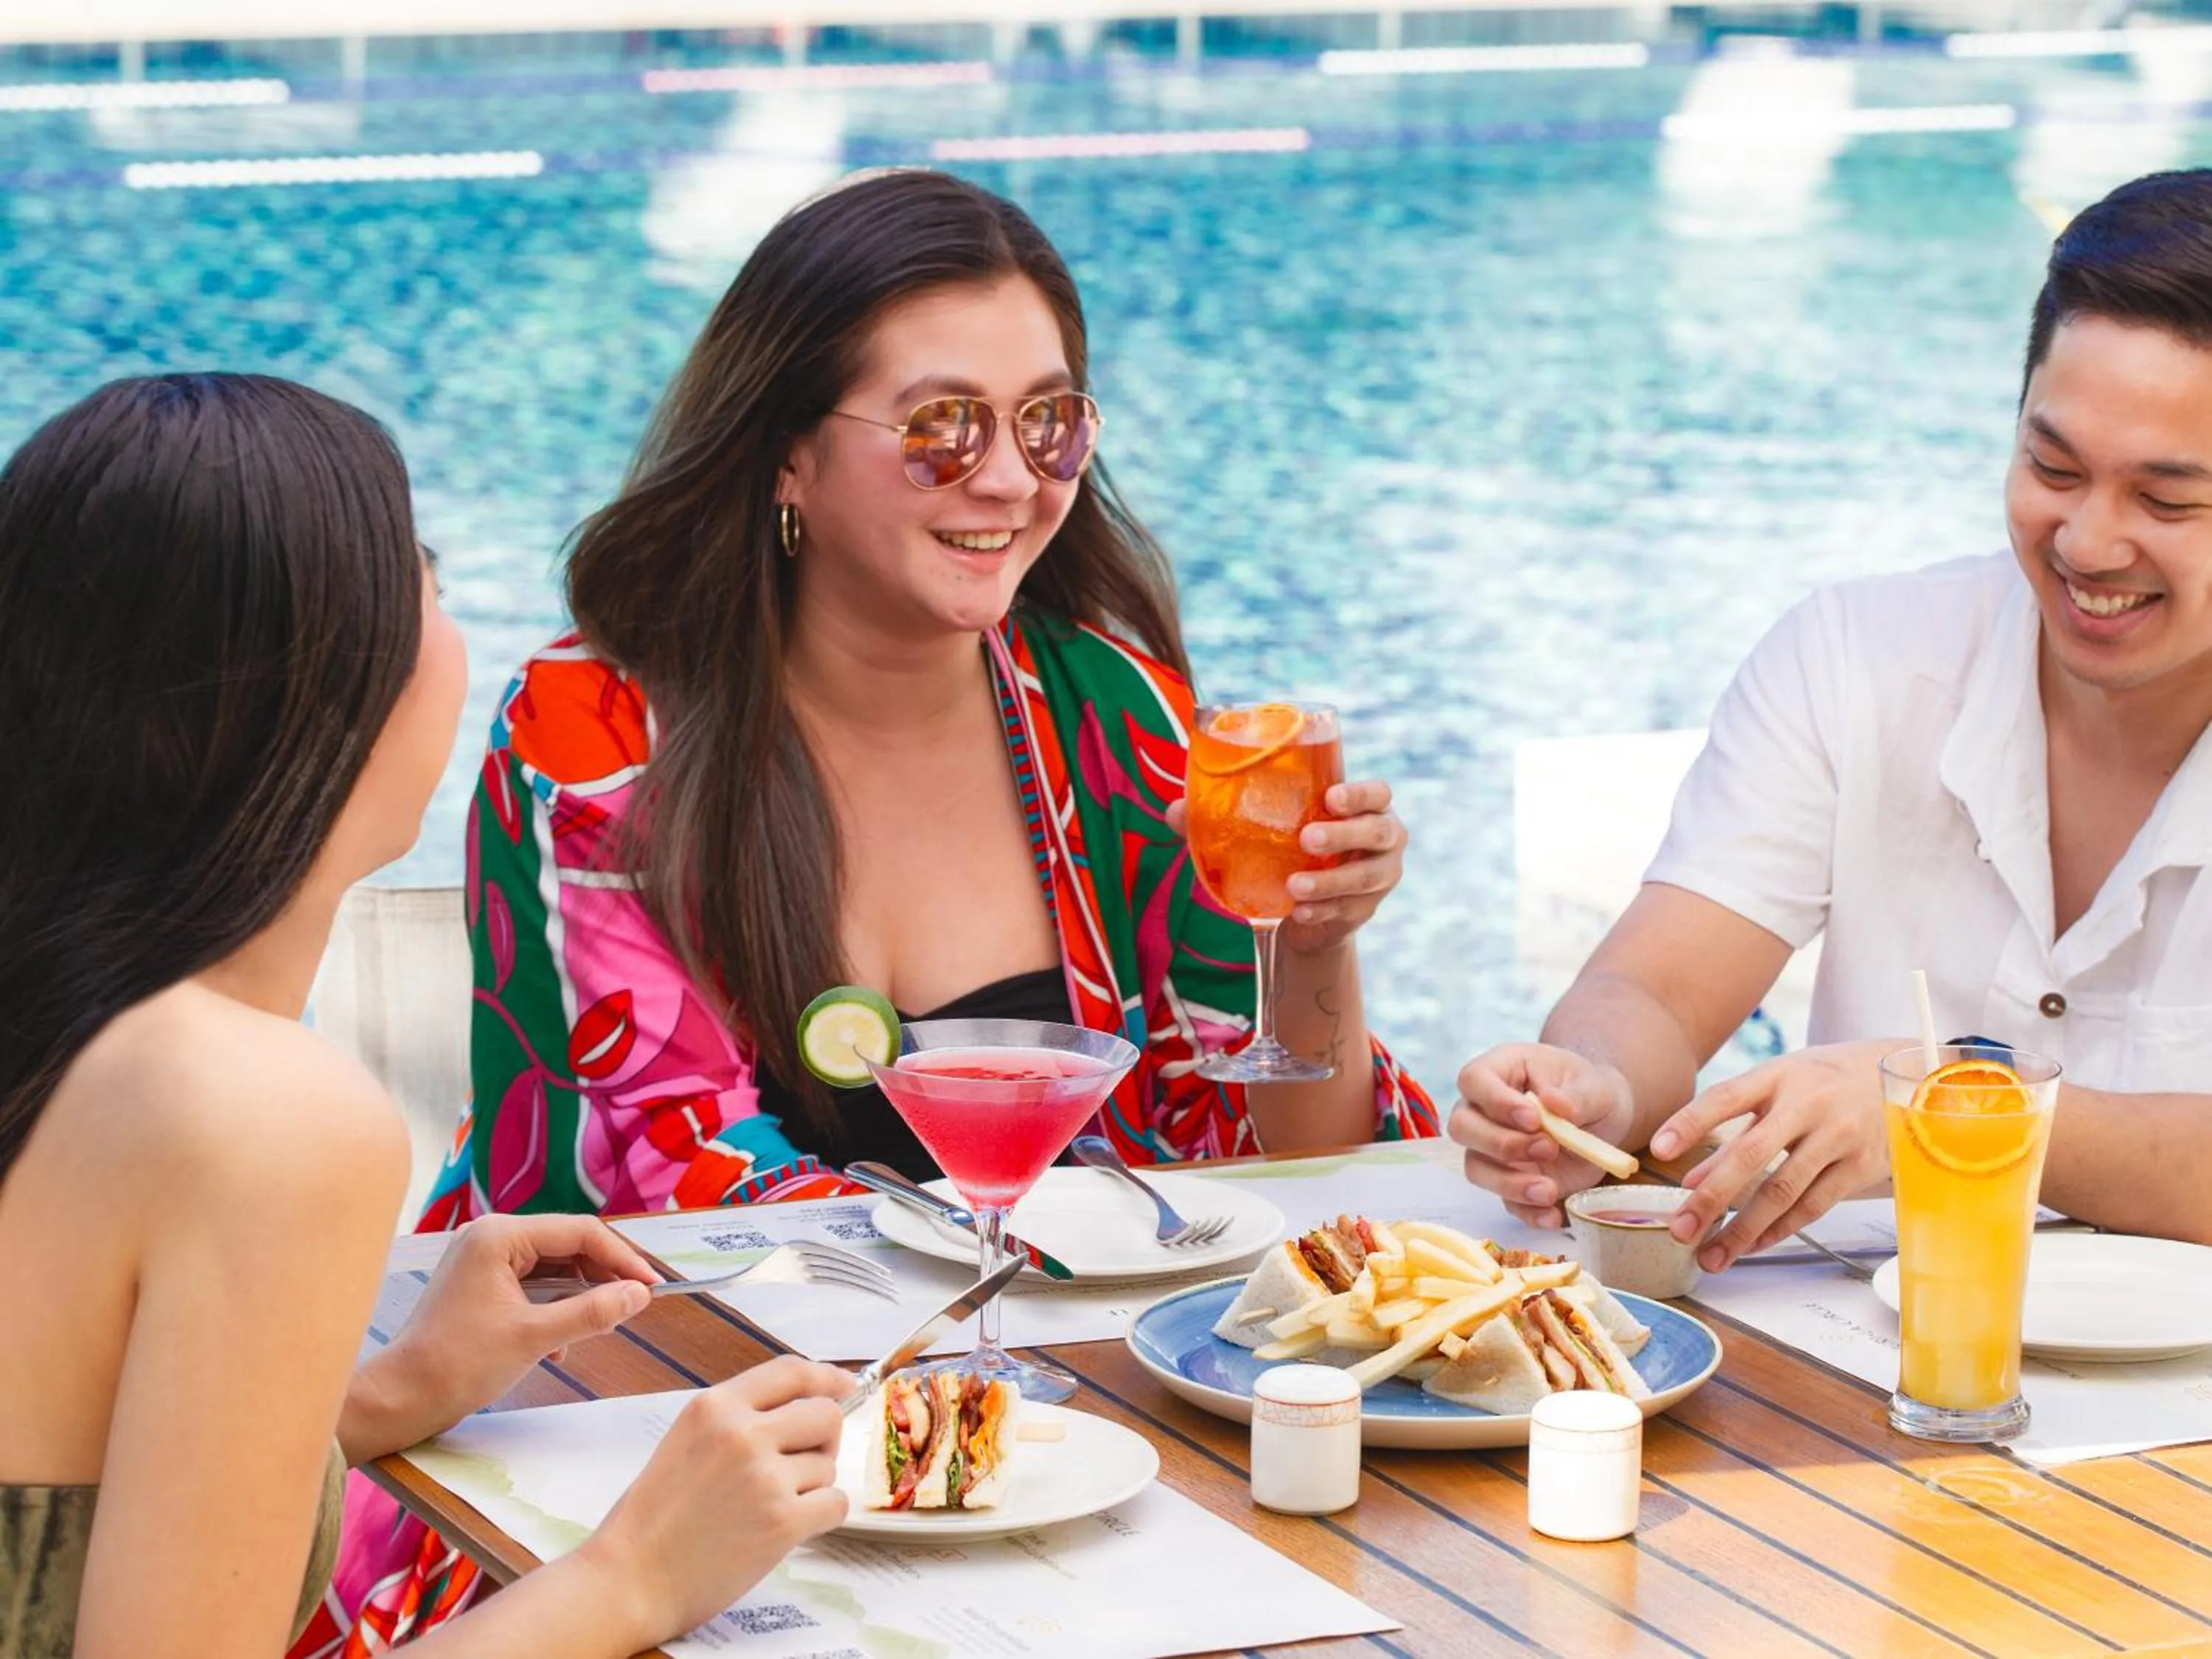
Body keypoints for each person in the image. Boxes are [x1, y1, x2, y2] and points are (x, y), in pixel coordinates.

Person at [0, 373, 853, 1658]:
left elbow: (60, 1503)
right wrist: (636, 1574)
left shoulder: (77, 1031)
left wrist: (389, 1390)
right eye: (430, 582)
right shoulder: (262, 1118)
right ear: (319, 689)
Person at [422, 167, 1436, 1228]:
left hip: (1057, 1372)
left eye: (1049, 423)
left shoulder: (1118, 715)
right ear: (787, 454)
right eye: (943, 427)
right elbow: (658, 1178)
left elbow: (1278, 1167)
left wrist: (1315, 940)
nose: (1008, 479)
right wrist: (1007, 1269)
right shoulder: (597, 733)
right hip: (686, 1380)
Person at [1451, 167, 2212, 1268]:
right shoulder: (1859, 657)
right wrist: (1593, 1087)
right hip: (1859, 1388)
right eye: (2052, 467)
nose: (2088, 543)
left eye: (2167, 500)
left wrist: (1956, 1114)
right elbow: (1654, 987)